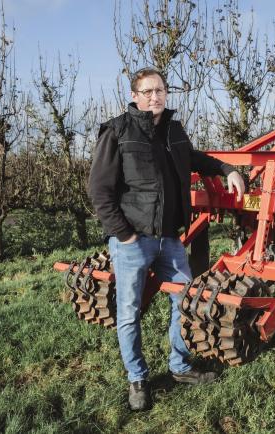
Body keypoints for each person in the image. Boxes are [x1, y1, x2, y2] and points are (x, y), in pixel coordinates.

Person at [88, 68, 245, 411]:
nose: (154, 96)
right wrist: (125, 235)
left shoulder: (174, 130)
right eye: (146, 91)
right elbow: (99, 190)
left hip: (170, 240)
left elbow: (196, 158)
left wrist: (227, 170)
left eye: (159, 90)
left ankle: (179, 366)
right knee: (129, 312)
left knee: (185, 302)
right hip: (133, 241)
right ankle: (138, 378)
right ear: (134, 95)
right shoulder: (117, 131)